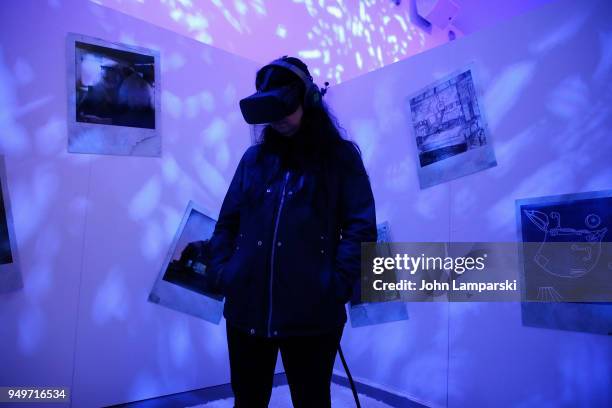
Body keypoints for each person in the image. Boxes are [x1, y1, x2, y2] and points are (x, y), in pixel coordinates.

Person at [206, 56, 377, 407]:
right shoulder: (253, 160)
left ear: (310, 100)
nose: (278, 121)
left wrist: (336, 285)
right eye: (270, 111)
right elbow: (227, 223)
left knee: (311, 401)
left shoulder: (340, 158)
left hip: (313, 316)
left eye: (285, 108)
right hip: (246, 311)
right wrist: (225, 273)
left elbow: (361, 227)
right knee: (248, 401)